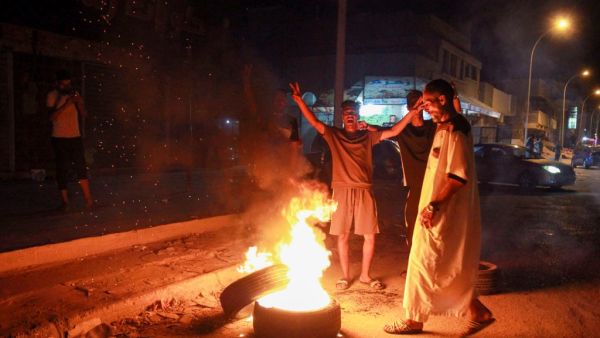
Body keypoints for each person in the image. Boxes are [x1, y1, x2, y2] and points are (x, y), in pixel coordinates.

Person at [384, 79, 494, 335]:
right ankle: (477, 312)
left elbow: (457, 176)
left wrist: (434, 206)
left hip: (442, 213)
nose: (426, 108)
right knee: (439, 266)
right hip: (436, 210)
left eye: (428, 103)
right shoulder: (445, 126)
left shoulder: (456, 130)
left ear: (442, 100)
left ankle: (414, 320)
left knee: (426, 263)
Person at [290, 82, 419, 291]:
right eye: (347, 112)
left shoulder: (369, 136)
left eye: (353, 112)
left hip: (364, 190)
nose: (350, 115)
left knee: (369, 235)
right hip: (341, 190)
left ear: (358, 115)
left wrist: (412, 113)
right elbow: (314, 122)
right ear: (342, 116)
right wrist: (299, 101)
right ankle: (345, 276)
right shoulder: (334, 135)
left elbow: (394, 130)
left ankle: (366, 276)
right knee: (342, 235)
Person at [393, 90, 435, 248]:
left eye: (422, 104)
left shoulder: (433, 126)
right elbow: (383, 131)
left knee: (435, 224)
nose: (419, 108)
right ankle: (413, 263)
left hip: (433, 184)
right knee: (412, 223)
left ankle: (432, 264)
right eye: (416, 104)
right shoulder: (402, 130)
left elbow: (455, 117)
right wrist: (367, 126)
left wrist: (454, 97)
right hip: (415, 186)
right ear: (409, 107)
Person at [47, 70, 94, 211]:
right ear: (57, 84)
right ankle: (65, 202)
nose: (66, 87)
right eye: (63, 84)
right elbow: (51, 117)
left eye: (68, 84)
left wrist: (79, 103)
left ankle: (89, 200)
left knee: (81, 167)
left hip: (75, 137)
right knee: (62, 169)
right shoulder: (52, 96)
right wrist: (67, 104)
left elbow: (84, 115)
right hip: (59, 138)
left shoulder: (74, 95)